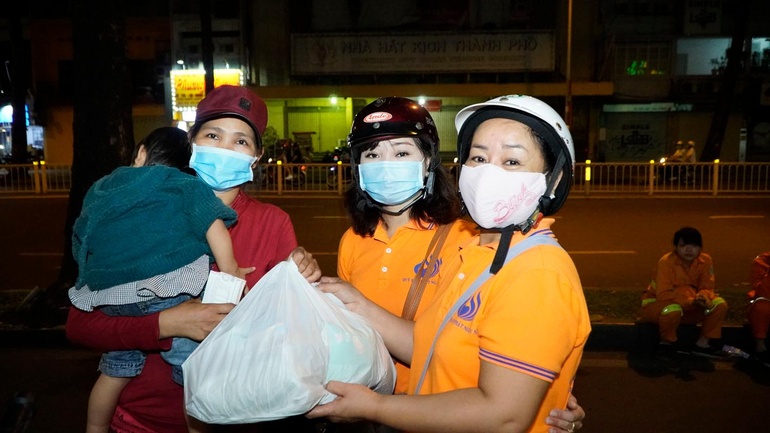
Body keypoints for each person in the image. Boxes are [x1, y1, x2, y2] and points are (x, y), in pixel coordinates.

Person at [311, 95, 590, 433]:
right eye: (478, 157)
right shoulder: (476, 254)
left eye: (512, 161)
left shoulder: (537, 272)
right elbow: (428, 345)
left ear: (554, 179)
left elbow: (504, 416)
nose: (488, 172)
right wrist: (354, 301)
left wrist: (376, 407)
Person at [66, 84, 321, 433]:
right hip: (136, 422)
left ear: (256, 157)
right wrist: (167, 324)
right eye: (213, 135)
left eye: (241, 141)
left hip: (237, 418)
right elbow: (80, 326)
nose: (226, 148)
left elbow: (290, 329)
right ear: (191, 142)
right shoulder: (138, 212)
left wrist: (305, 278)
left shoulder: (272, 223)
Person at [67, 127, 252, 433]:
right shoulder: (185, 185)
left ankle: (94, 428)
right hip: (164, 292)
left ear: (141, 153)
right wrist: (230, 268)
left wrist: (89, 275)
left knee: (115, 372)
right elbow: (213, 226)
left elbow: (82, 234)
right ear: (188, 165)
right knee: (192, 371)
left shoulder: (104, 186)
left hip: (113, 298)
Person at [640, 227, 728, 359]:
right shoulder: (666, 262)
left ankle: (702, 344)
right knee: (672, 310)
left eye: (693, 245)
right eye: (683, 245)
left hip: (689, 308)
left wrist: (703, 297)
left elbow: (708, 286)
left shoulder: (705, 261)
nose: (689, 249)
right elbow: (664, 294)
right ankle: (666, 344)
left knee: (719, 305)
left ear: (700, 247)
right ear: (675, 247)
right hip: (656, 307)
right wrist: (692, 301)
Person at [747, 251, 770, 362]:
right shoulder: (761, 262)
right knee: (761, 307)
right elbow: (762, 291)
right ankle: (760, 348)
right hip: (764, 300)